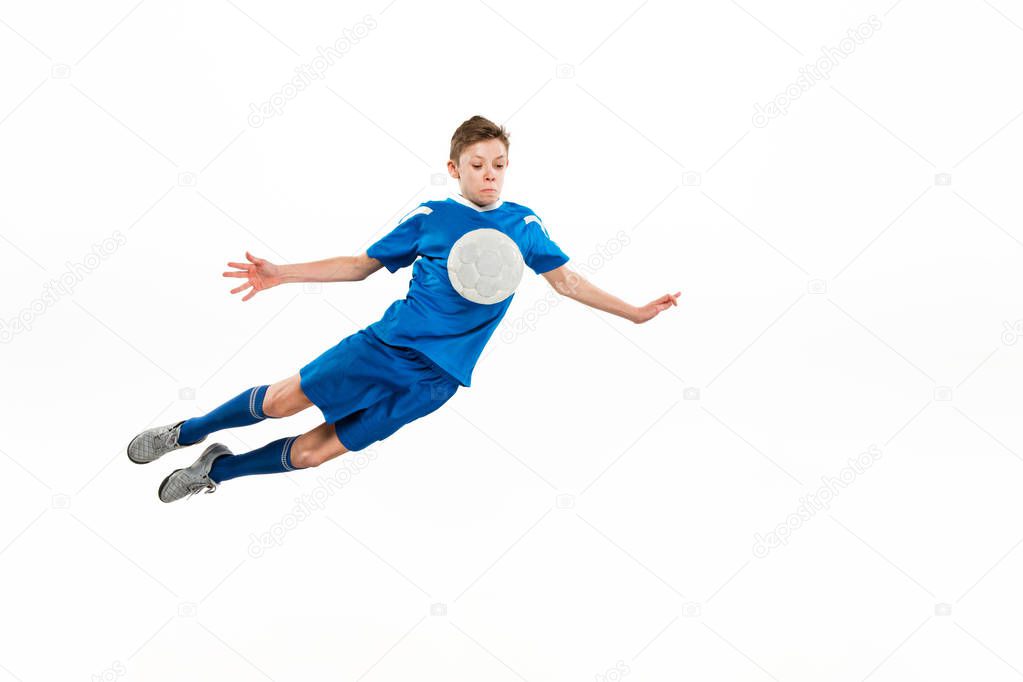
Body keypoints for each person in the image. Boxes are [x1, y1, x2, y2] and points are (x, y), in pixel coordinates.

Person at [127, 115, 681, 503]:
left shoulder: (524, 226)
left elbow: (568, 282)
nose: (490, 173)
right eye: (478, 163)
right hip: (384, 348)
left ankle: (217, 470)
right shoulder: (432, 215)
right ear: (454, 167)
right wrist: (282, 272)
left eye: (500, 164)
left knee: (315, 456)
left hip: (436, 382)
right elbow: (360, 265)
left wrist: (633, 312)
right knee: (279, 403)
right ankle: (187, 432)